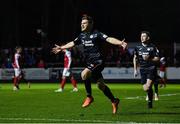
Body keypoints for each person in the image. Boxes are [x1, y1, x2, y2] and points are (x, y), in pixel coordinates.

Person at [52, 15, 127, 114]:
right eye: (81, 23)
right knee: (101, 86)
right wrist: (62, 48)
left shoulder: (97, 34)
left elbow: (108, 39)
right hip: (90, 63)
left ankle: (89, 97)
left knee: (84, 74)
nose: (82, 25)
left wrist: (120, 43)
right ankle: (114, 100)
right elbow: (72, 43)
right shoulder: (81, 35)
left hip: (99, 62)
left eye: (84, 23)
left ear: (91, 24)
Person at [133, 31, 160, 108]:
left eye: (144, 36)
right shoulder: (137, 47)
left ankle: (150, 101)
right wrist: (135, 69)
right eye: (141, 36)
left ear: (148, 38)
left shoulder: (153, 47)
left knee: (148, 87)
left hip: (151, 68)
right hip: (142, 69)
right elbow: (135, 58)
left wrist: (150, 58)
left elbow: (157, 58)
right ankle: (151, 97)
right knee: (145, 88)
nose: (142, 37)